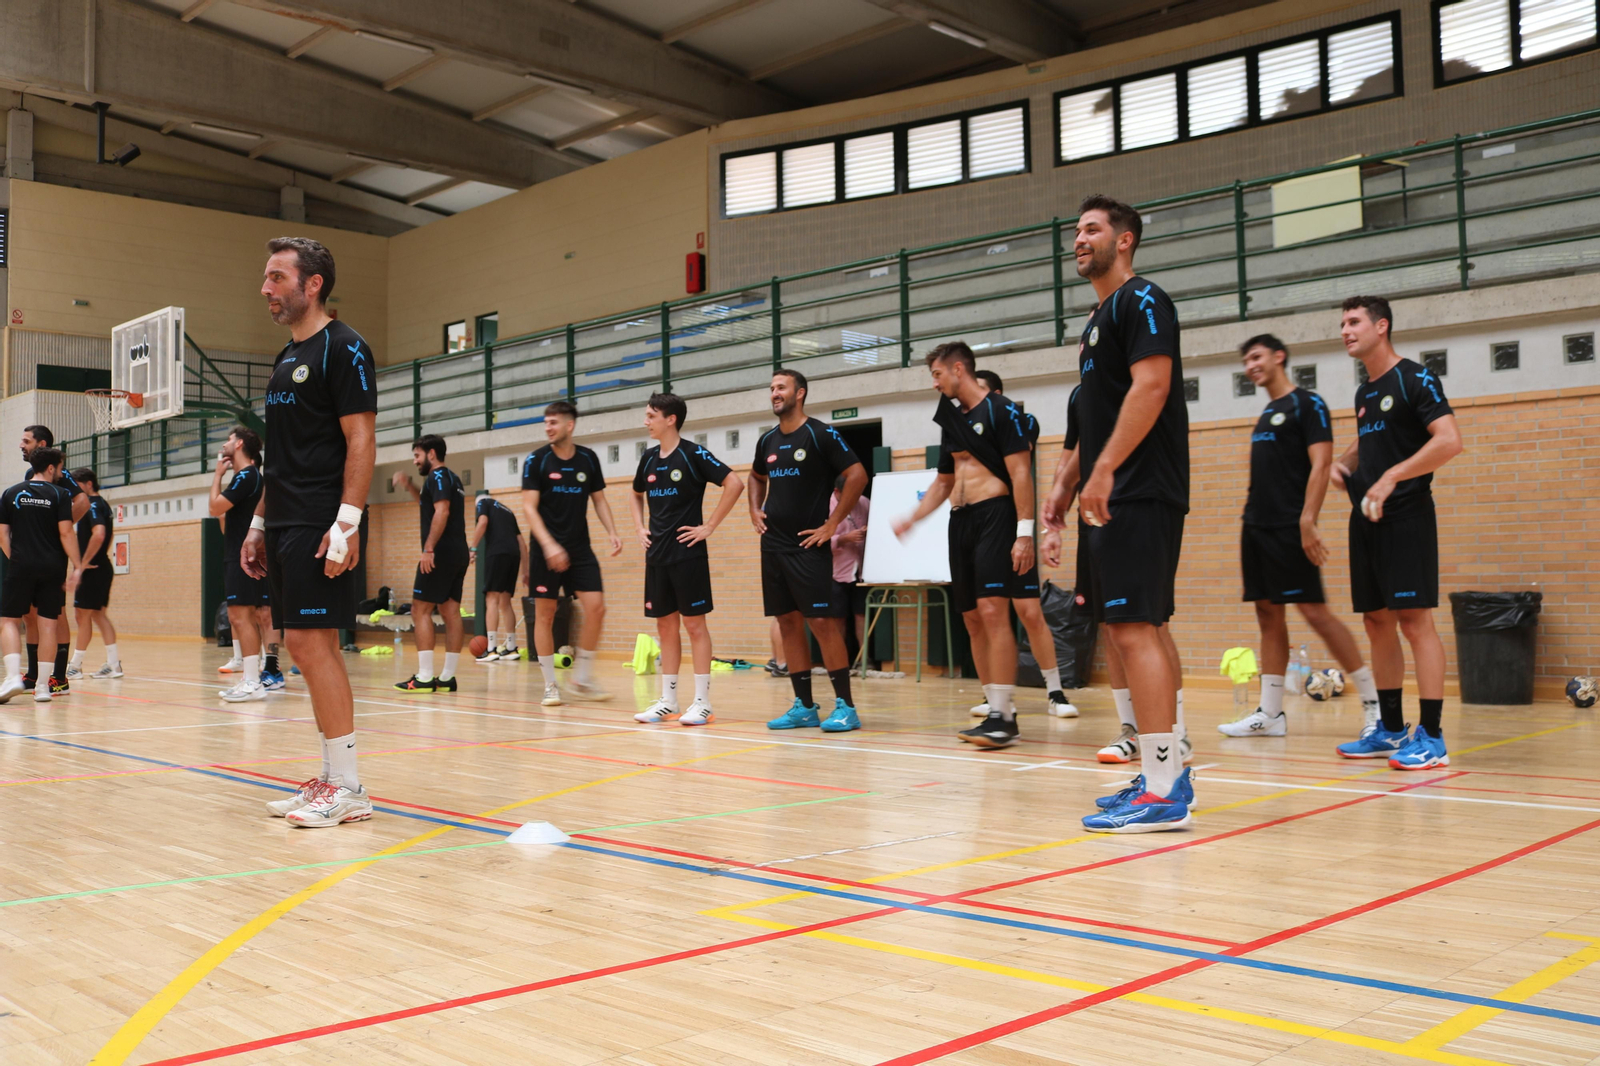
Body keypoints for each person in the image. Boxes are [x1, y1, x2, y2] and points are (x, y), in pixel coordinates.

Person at [1064, 194, 1194, 832]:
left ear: (1126, 241)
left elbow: (1153, 386)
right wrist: (1071, 486)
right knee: (1134, 629)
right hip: (1118, 490)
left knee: (1137, 628)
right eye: (1076, 231)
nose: (1079, 239)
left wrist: (1108, 469)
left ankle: (1165, 791)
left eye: (1091, 229)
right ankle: (1165, 767)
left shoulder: (1143, 300)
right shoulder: (1098, 320)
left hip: (1140, 488)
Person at [241, 234, 377, 828]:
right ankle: (329, 777)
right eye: (267, 278)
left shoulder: (344, 348)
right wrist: (258, 522)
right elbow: (278, 454)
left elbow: (361, 439)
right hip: (286, 520)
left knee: (314, 645)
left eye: (276, 277)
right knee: (297, 643)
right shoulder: (282, 357)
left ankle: (348, 787)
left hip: (324, 520)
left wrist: (346, 523)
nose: (266, 288)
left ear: (311, 284)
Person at [1330, 295, 1463, 769]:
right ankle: (1389, 729)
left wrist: (1392, 477)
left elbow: (1449, 440)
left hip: (1407, 516)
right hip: (1366, 519)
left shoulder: (1416, 377)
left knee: (1414, 622)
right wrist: (1346, 462)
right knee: (1376, 621)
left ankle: (1432, 735)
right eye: (1342, 323)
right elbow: (1378, 434)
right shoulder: (1366, 393)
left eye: (1353, 322)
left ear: (1381, 326)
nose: (1345, 330)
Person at [1223, 335, 1378, 738]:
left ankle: (1375, 708)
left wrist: (1307, 521)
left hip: (1290, 526)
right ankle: (1270, 715)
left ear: (1279, 357)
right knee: (1267, 614)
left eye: (1256, 356)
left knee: (1315, 613)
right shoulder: (1266, 412)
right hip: (1255, 525)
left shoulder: (1307, 404)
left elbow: (1322, 463)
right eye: (1246, 360)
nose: (1250, 365)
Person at [892, 341, 1037, 749]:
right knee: (972, 617)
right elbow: (944, 481)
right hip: (961, 522)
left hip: (996, 515)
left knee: (994, 611)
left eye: (937, 374)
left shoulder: (1003, 410)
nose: (934, 383)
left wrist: (1023, 532)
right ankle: (993, 709)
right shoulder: (951, 421)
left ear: (959, 369)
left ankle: (1005, 715)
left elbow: (1021, 472)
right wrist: (913, 518)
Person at [752, 370, 868, 734]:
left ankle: (846, 707)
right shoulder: (767, 440)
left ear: (799, 393)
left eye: (781, 387)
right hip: (773, 544)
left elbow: (858, 475)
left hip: (808, 545)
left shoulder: (820, 434)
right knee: (788, 621)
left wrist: (833, 524)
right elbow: (756, 477)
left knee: (822, 623)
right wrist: (754, 508)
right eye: (771, 388)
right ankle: (803, 706)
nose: (774, 393)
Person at [628, 393, 743, 726]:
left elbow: (733, 483)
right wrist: (638, 527)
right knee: (665, 627)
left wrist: (709, 526)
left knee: (694, 625)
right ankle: (667, 700)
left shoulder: (694, 454)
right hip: (657, 555)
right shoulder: (648, 459)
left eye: (651, 416)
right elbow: (635, 494)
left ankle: (703, 702)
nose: (646, 421)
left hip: (688, 554)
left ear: (670, 419)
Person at [970, 369, 1077, 719]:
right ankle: (996, 698)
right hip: (982, 528)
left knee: (1030, 613)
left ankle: (1056, 692)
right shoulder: (965, 423)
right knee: (984, 616)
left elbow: (1015, 457)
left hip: (1013, 525)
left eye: (980, 390)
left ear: (997, 393)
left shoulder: (1020, 419)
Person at [521, 401, 623, 704]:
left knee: (597, 607)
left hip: (579, 548)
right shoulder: (536, 460)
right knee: (545, 614)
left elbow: (599, 500)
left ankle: (583, 677)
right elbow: (528, 507)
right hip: (544, 549)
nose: (548, 428)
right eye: (546, 423)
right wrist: (550, 545)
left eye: (553, 422)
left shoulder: (588, 459)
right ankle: (550, 685)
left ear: (570, 425)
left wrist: (612, 531)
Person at [0, 448, 83, 702]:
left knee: (9, 621)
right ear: (51, 468)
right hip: (52, 568)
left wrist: (15, 559)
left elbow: (3, 534)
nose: (60, 473)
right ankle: (44, 688)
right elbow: (67, 534)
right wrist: (78, 566)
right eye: (59, 468)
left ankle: (14, 676)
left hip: (21, 564)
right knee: (49, 624)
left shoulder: (11, 493)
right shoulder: (60, 494)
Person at [208, 426, 284, 701]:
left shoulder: (247, 475)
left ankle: (253, 681)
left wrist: (217, 475)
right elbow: (224, 520)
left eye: (229, 440)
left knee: (244, 616)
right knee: (240, 617)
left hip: (246, 556)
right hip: (238, 553)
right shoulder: (245, 477)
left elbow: (215, 507)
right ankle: (251, 678)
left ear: (239, 444)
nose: (225, 444)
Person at [391, 435, 469, 693]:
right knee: (449, 611)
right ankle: (447, 677)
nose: (415, 461)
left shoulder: (437, 477)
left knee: (419, 610)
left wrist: (428, 548)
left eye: (417, 456)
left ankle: (424, 677)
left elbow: (442, 511)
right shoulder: (451, 479)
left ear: (431, 454)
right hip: (458, 552)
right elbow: (428, 505)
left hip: (441, 553)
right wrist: (409, 485)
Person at [18, 426, 88, 694]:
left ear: (42, 443)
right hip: (31, 553)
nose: (21, 445)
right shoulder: (29, 476)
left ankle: (59, 677)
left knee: (54, 613)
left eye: (27, 441)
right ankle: (35, 673)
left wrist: (60, 531)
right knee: (30, 613)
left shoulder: (60, 475)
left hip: (50, 554)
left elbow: (82, 501)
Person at [66, 468, 121, 680]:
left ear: (88, 484)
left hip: (93, 570)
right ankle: (114, 664)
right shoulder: (104, 506)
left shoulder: (93, 505)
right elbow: (109, 534)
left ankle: (75, 666)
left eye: (78, 486)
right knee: (97, 615)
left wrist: (82, 565)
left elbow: (99, 535)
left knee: (83, 616)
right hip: (101, 567)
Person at [471, 491, 527, 663]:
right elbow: (522, 544)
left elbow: (483, 522)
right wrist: (526, 570)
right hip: (513, 555)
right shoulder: (508, 511)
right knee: (505, 601)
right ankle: (511, 648)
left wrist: (472, 548)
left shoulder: (483, 504)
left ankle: (491, 649)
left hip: (498, 553)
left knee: (491, 599)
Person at [829, 476, 870, 668]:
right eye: (849, 494)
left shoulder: (863, 502)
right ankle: (839, 660)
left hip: (861, 570)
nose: (854, 498)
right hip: (835, 571)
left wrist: (869, 531)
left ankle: (864, 659)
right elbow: (816, 541)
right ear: (837, 492)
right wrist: (844, 539)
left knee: (862, 615)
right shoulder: (824, 506)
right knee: (838, 618)